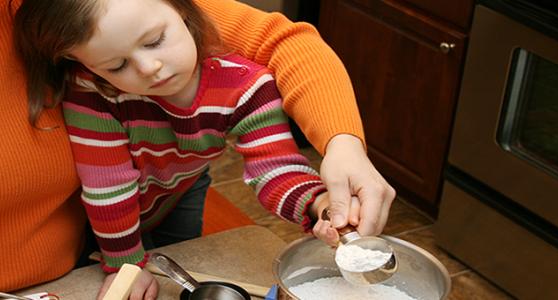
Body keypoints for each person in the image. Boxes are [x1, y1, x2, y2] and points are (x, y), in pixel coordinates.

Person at [1, 0, 394, 295]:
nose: (149, 69)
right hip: (108, 215)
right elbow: (108, 187)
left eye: (155, 40)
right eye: (117, 66)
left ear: (183, 8)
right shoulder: (90, 89)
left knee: (182, 264)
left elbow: (274, 169)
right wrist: (124, 263)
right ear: (80, 61)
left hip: (180, 190)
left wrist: (321, 203)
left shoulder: (247, 87)